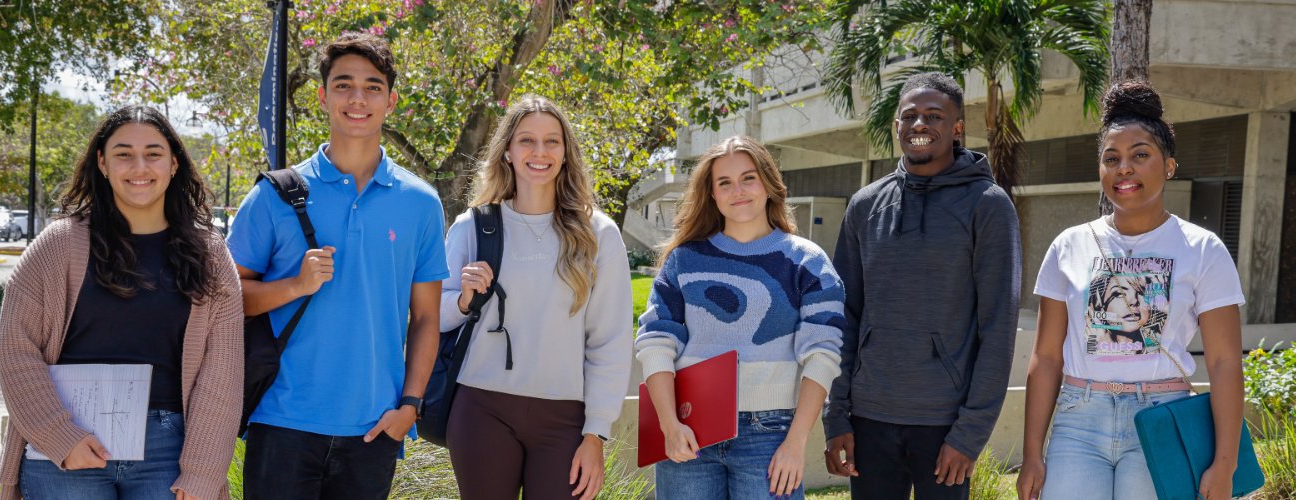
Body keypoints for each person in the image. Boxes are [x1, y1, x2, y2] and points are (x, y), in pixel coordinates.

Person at [226, 33, 448, 499]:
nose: (357, 98)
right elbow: (227, 299)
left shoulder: (421, 204)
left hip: (374, 428)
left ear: (391, 100)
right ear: (324, 96)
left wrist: (410, 406)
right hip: (281, 420)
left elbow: (427, 317)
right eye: (343, 85)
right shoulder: (272, 195)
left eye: (372, 86)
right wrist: (294, 286)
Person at [0, 105, 244, 500]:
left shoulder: (210, 255)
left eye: (154, 153)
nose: (138, 166)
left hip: (168, 452)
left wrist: (202, 473)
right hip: (67, 447)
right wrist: (59, 435)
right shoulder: (58, 245)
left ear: (174, 164)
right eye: (123, 153)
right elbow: (14, 349)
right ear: (103, 163)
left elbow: (222, 374)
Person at [1017, 81, 1247, 500]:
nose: (1124, 168)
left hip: (1161, 419)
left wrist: (1225, 463)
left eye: (1140, 155)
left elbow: (1225, 361)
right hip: (1078, 422)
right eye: (1112, 158)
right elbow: (1047, 355)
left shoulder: (1202, 249)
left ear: (1170, 165)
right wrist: (1032, 452)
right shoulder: (1069, 245)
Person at [822, 72, 1022, 500]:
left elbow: (998, 328)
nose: (919, 125)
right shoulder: (865, 206)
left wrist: (969, 435)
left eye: (934, 116)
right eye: (909, 116)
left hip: (944, 423)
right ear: (896, 126)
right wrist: (836, 416)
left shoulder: (987, 206)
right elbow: (843, 318)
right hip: (868, 418)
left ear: (956, 128)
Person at [440, 94, 632, 500]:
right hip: (481, 407)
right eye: (526, 140)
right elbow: (430, 318)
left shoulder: (597, 234)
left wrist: (596, 432)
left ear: (566, 153)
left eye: (552, 142)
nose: (539, 152)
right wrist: (462, 300)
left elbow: (610, 341)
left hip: (565, 418)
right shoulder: (472, 227)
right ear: (507, 151)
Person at [636, 135, 845, 499]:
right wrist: (669, 425)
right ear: (712, 194)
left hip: (771, 435)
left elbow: (822, 355)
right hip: (687, 429)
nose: (738, 190)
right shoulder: (684, 260)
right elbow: (655, 341)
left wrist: (796, 443)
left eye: (748, 178)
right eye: (724, 182)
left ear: (768, 184)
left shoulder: (807, 262)